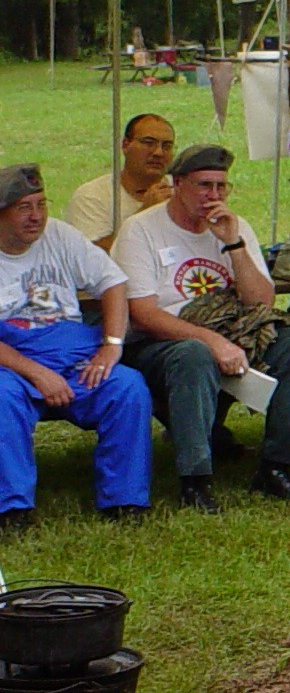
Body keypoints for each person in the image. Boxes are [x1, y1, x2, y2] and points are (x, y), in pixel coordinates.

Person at [113, 145, 290, 514]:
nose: (213, 195)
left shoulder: (234, 227)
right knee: (194, 355)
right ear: (177, 184)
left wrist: (234, 245)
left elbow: (261, 302)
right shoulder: (141, 230)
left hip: (233, 329)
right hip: (159, 341)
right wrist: (212, 341)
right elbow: (143, 314)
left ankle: (277, 466)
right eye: (203, 185)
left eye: (221, 186)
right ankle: (195, 479)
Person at [0, 165, 151, 529]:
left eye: (41, 204)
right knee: (1, 398)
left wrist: (111, 346)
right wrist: (37, 374)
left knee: (127, 387)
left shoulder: (59, 235)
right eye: (24, 208)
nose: (36, 216)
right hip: (14, 362)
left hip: (74, 352)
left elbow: (113, 282)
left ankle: (124, 500)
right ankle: (12, 507)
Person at [65, 112, 175, 250]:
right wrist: (145, 213)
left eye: (167, 146)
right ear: (125, 145)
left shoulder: (184, 191)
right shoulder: (92, 196)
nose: (158, 152)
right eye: (148, 143)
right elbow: (93, 255)